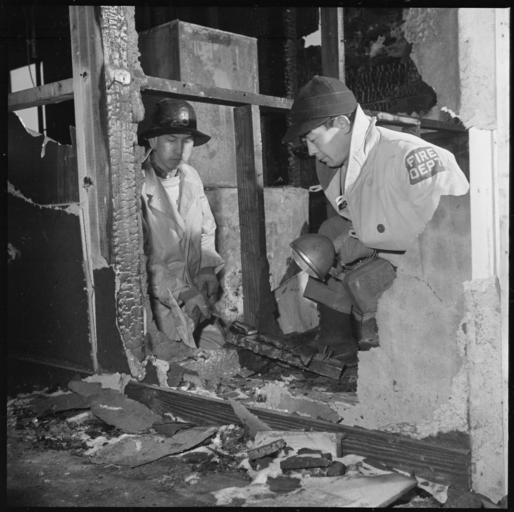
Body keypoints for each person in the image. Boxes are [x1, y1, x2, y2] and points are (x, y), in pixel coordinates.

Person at [283, 75, 469, 364]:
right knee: (330, 231)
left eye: (313, 139)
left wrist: (370, 246)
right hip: (395, 247)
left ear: (342, 124)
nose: (310, 151)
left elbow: (455, 240)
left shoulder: (412, 157)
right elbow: (358, 216)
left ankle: (411, 348)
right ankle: (336, 340)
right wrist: (346, 239)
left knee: (365, 282)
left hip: (439, 270)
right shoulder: (333, 167)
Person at [139, 98, 224, 359]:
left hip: (195, 296)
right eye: (171, 140)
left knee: (213, 352)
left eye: (187, 141)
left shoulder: (191, 176)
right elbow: (142, 262)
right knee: (170, 363)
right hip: (160, 305)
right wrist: (182, 292)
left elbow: (206, 228)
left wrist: (207, 268)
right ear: (153, 141)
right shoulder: (138, 186)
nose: (179, 149)